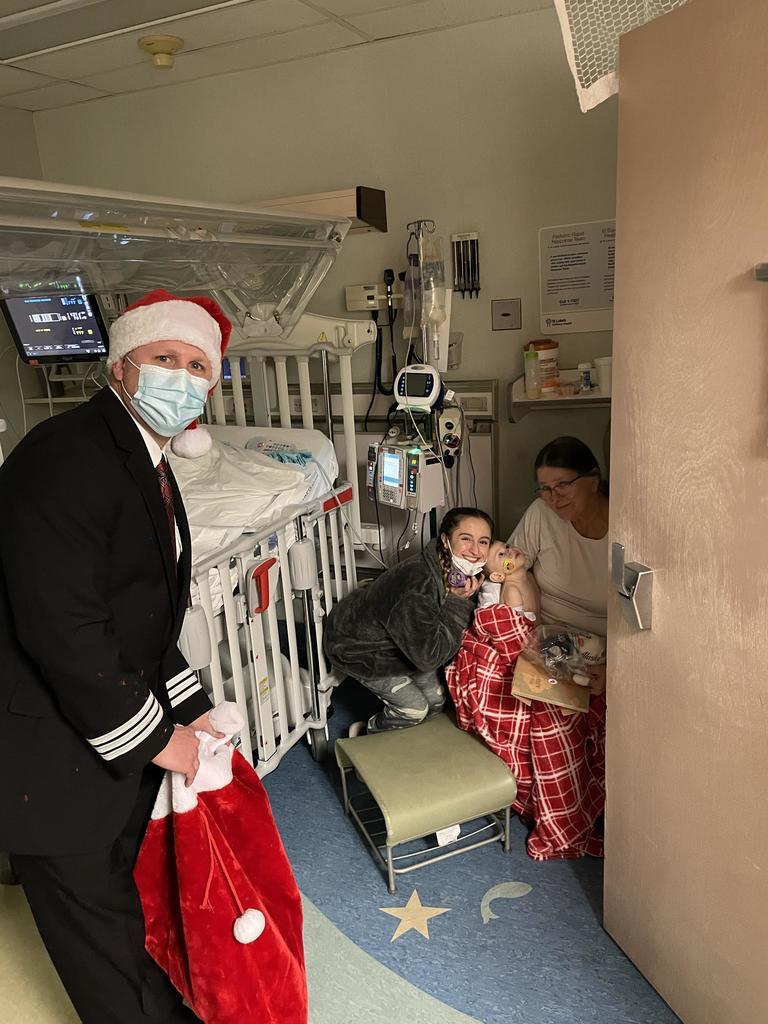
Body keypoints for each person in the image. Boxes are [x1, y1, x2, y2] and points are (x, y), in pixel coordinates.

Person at [0, 288, 232, 1024]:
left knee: (129, 913)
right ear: (121, 367)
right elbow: (66, 632)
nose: (181, 377)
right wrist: (161, 740)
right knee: (103, 952)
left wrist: (195, 710)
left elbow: (140, 617)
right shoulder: (66, 457)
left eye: (197, 366)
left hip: (97, 731)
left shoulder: (146, 461)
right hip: (46, 751)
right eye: (165, 357)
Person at [446, 437, 609, 860]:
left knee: (571, 708)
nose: (554, 498)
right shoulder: (541, 515)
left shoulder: (625, 527)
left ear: (593, 479)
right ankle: (540, 802)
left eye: (564, 485)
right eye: (545, 488)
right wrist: (473, 587)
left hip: (602, 644)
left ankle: (568, 810)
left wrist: (614, 667)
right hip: (542, 634)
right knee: (518, 693)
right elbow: (504, 565)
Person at [324, 507, 493, 735]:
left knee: (437, 700)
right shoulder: (418, 586)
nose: (475, 550)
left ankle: (407, 736)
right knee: (415, 710)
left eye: (483, 542)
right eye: (466, 539)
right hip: (359, 647)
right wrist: (457, 603)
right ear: (446, 540)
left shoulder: (453, 571)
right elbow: (430, 657)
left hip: (402, 644)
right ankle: (367, 733)